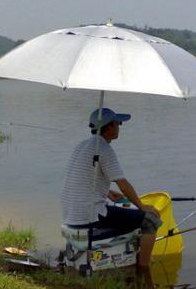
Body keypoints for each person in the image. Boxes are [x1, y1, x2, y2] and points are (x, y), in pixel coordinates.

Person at [61, 107, 162, 268]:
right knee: (151, 220)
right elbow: (123, 185)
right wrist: (142, 206)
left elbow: (82, 178)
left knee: (121, 211)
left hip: (71, 213)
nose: (119, 127)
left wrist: (106, 192)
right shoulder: (104, 149)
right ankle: (144, 267)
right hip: (90, 215)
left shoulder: (83, 145)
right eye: (118, 123)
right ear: (109, 127)